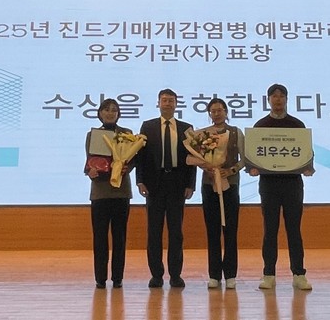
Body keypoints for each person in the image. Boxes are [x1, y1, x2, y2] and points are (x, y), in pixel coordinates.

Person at [247, 83, 315, 291]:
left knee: (294, 229)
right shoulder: (260, 126)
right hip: (269, 184)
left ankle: (299, 274)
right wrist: (252, 168)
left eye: (281, 96)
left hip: (292, 184)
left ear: (286, 99)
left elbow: (306, 151)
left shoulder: (297, 124)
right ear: (268, 100)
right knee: (270, 229)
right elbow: (252, 154)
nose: (278, 100)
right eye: (274, 96)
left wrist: (308, 167)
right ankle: (269, 274)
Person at [136, 88, 197, 289]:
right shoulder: (148, 126)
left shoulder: (186, 128)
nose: (168, 104)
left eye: (171, 100)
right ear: (158, 103)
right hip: (154, 185)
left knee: (176, 232)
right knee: (154, 232)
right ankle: (156, 275)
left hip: (177, 184)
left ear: (176, 104)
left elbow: (193, 158)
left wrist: (190, 184)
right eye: (164, 100)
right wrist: (140, 181)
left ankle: (176, 275)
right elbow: (140, 157)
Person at [195, 97, 245, 290]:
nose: (216, 114)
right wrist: (206, 167)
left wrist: (231, 170)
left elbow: (244, 159)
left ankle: (230, 274)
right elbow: (197, 158)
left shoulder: (236, 132)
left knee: (230, 230)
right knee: (212, 231)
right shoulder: (203, 134)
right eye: (213, 111)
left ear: (226, 112)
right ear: (209, 114)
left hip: (229, 185)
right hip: (209, 186)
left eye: (220, 110)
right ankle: (214, 275)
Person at [84, 98, 133, 289]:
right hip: (100, 192)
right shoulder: (92, 135)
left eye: (114, 110)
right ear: (100, 113)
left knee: (120, 237)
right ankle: (100, 278)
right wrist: (89, 171)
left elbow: (133, 159)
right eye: (106, 110)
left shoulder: (127, 134)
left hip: (121, 191)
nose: (110, 113)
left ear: (119, 114)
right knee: (100, 237)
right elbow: (88, 161)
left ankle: (118, 278)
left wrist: (127, 167)